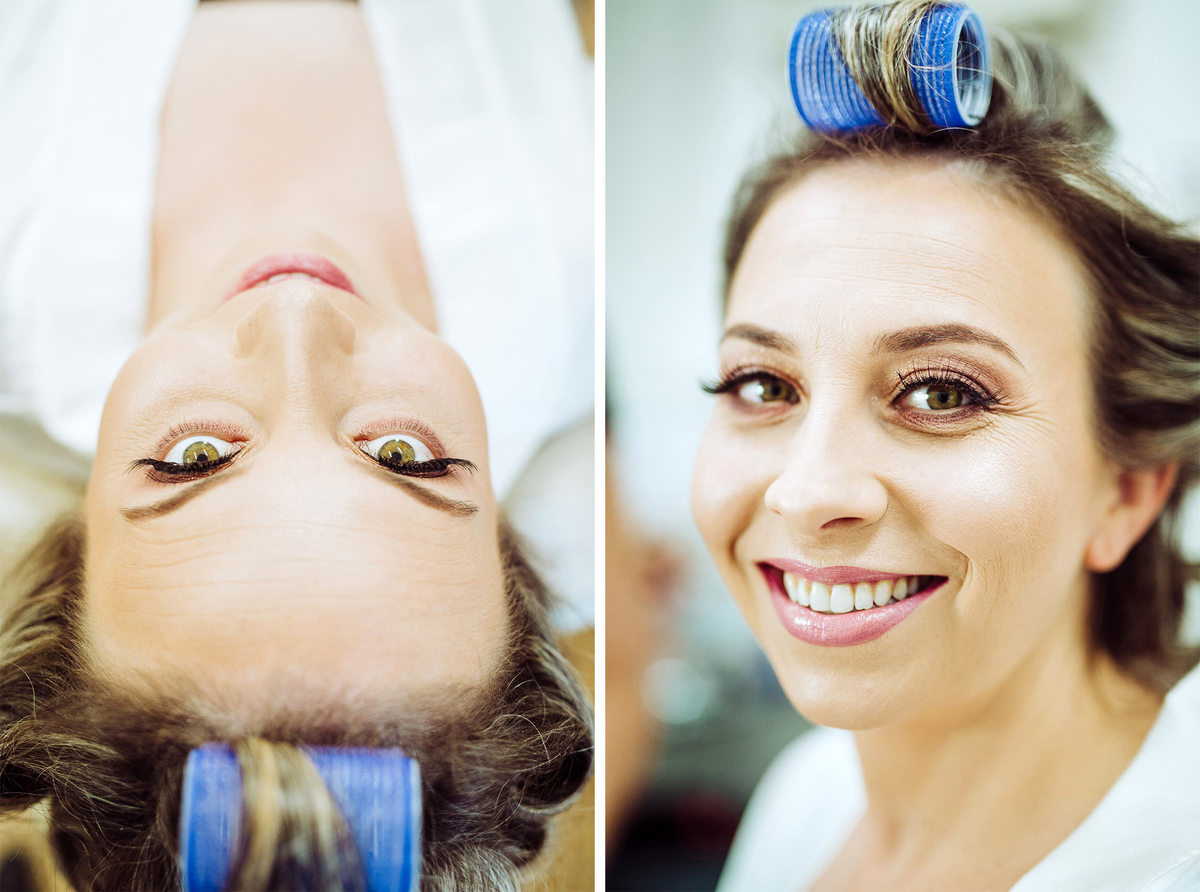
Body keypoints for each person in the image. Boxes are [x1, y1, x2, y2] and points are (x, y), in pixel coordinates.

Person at [0, 1, 593, 888]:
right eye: (402, 454)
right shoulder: (572, 268)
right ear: (507, 544)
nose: (298, 316)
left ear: (72, 542)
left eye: (196, 456)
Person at [690, 2, 1200, 889]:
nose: (808, 494)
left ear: (1129, 490)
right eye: (763, 386)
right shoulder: (804, 797)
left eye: (940, 393)